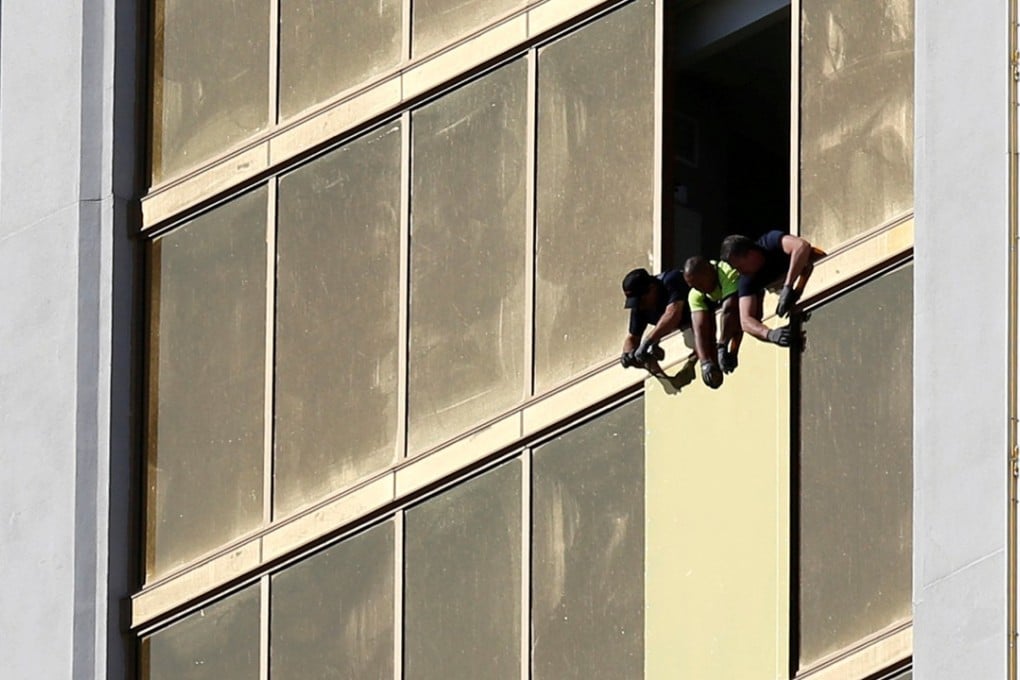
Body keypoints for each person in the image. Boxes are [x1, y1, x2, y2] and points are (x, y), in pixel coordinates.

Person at [720, 231, 819, 347]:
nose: (740, 272)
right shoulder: (746, 280)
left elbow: (801, 246)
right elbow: (746, 321)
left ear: (750, 253)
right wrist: (770, 334)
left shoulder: (770, 242)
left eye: (739, 266)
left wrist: (788, 286)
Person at [682, 256, 742, 388]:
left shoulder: (726, 271)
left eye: (700, 284)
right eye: (694, 286)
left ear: (708, 271)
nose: (699, 289)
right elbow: (699, 329)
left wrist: (723, 346)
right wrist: (705, 363)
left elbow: (730, 310)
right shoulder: (695, 294)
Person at [619, 267, 690, 370]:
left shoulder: (671, 280)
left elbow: (673, 315)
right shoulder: (640, 308)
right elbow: (632, 337)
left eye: (642, 301)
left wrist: (648, 341)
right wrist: (629, 355)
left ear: (652, 288)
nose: (640, 306)